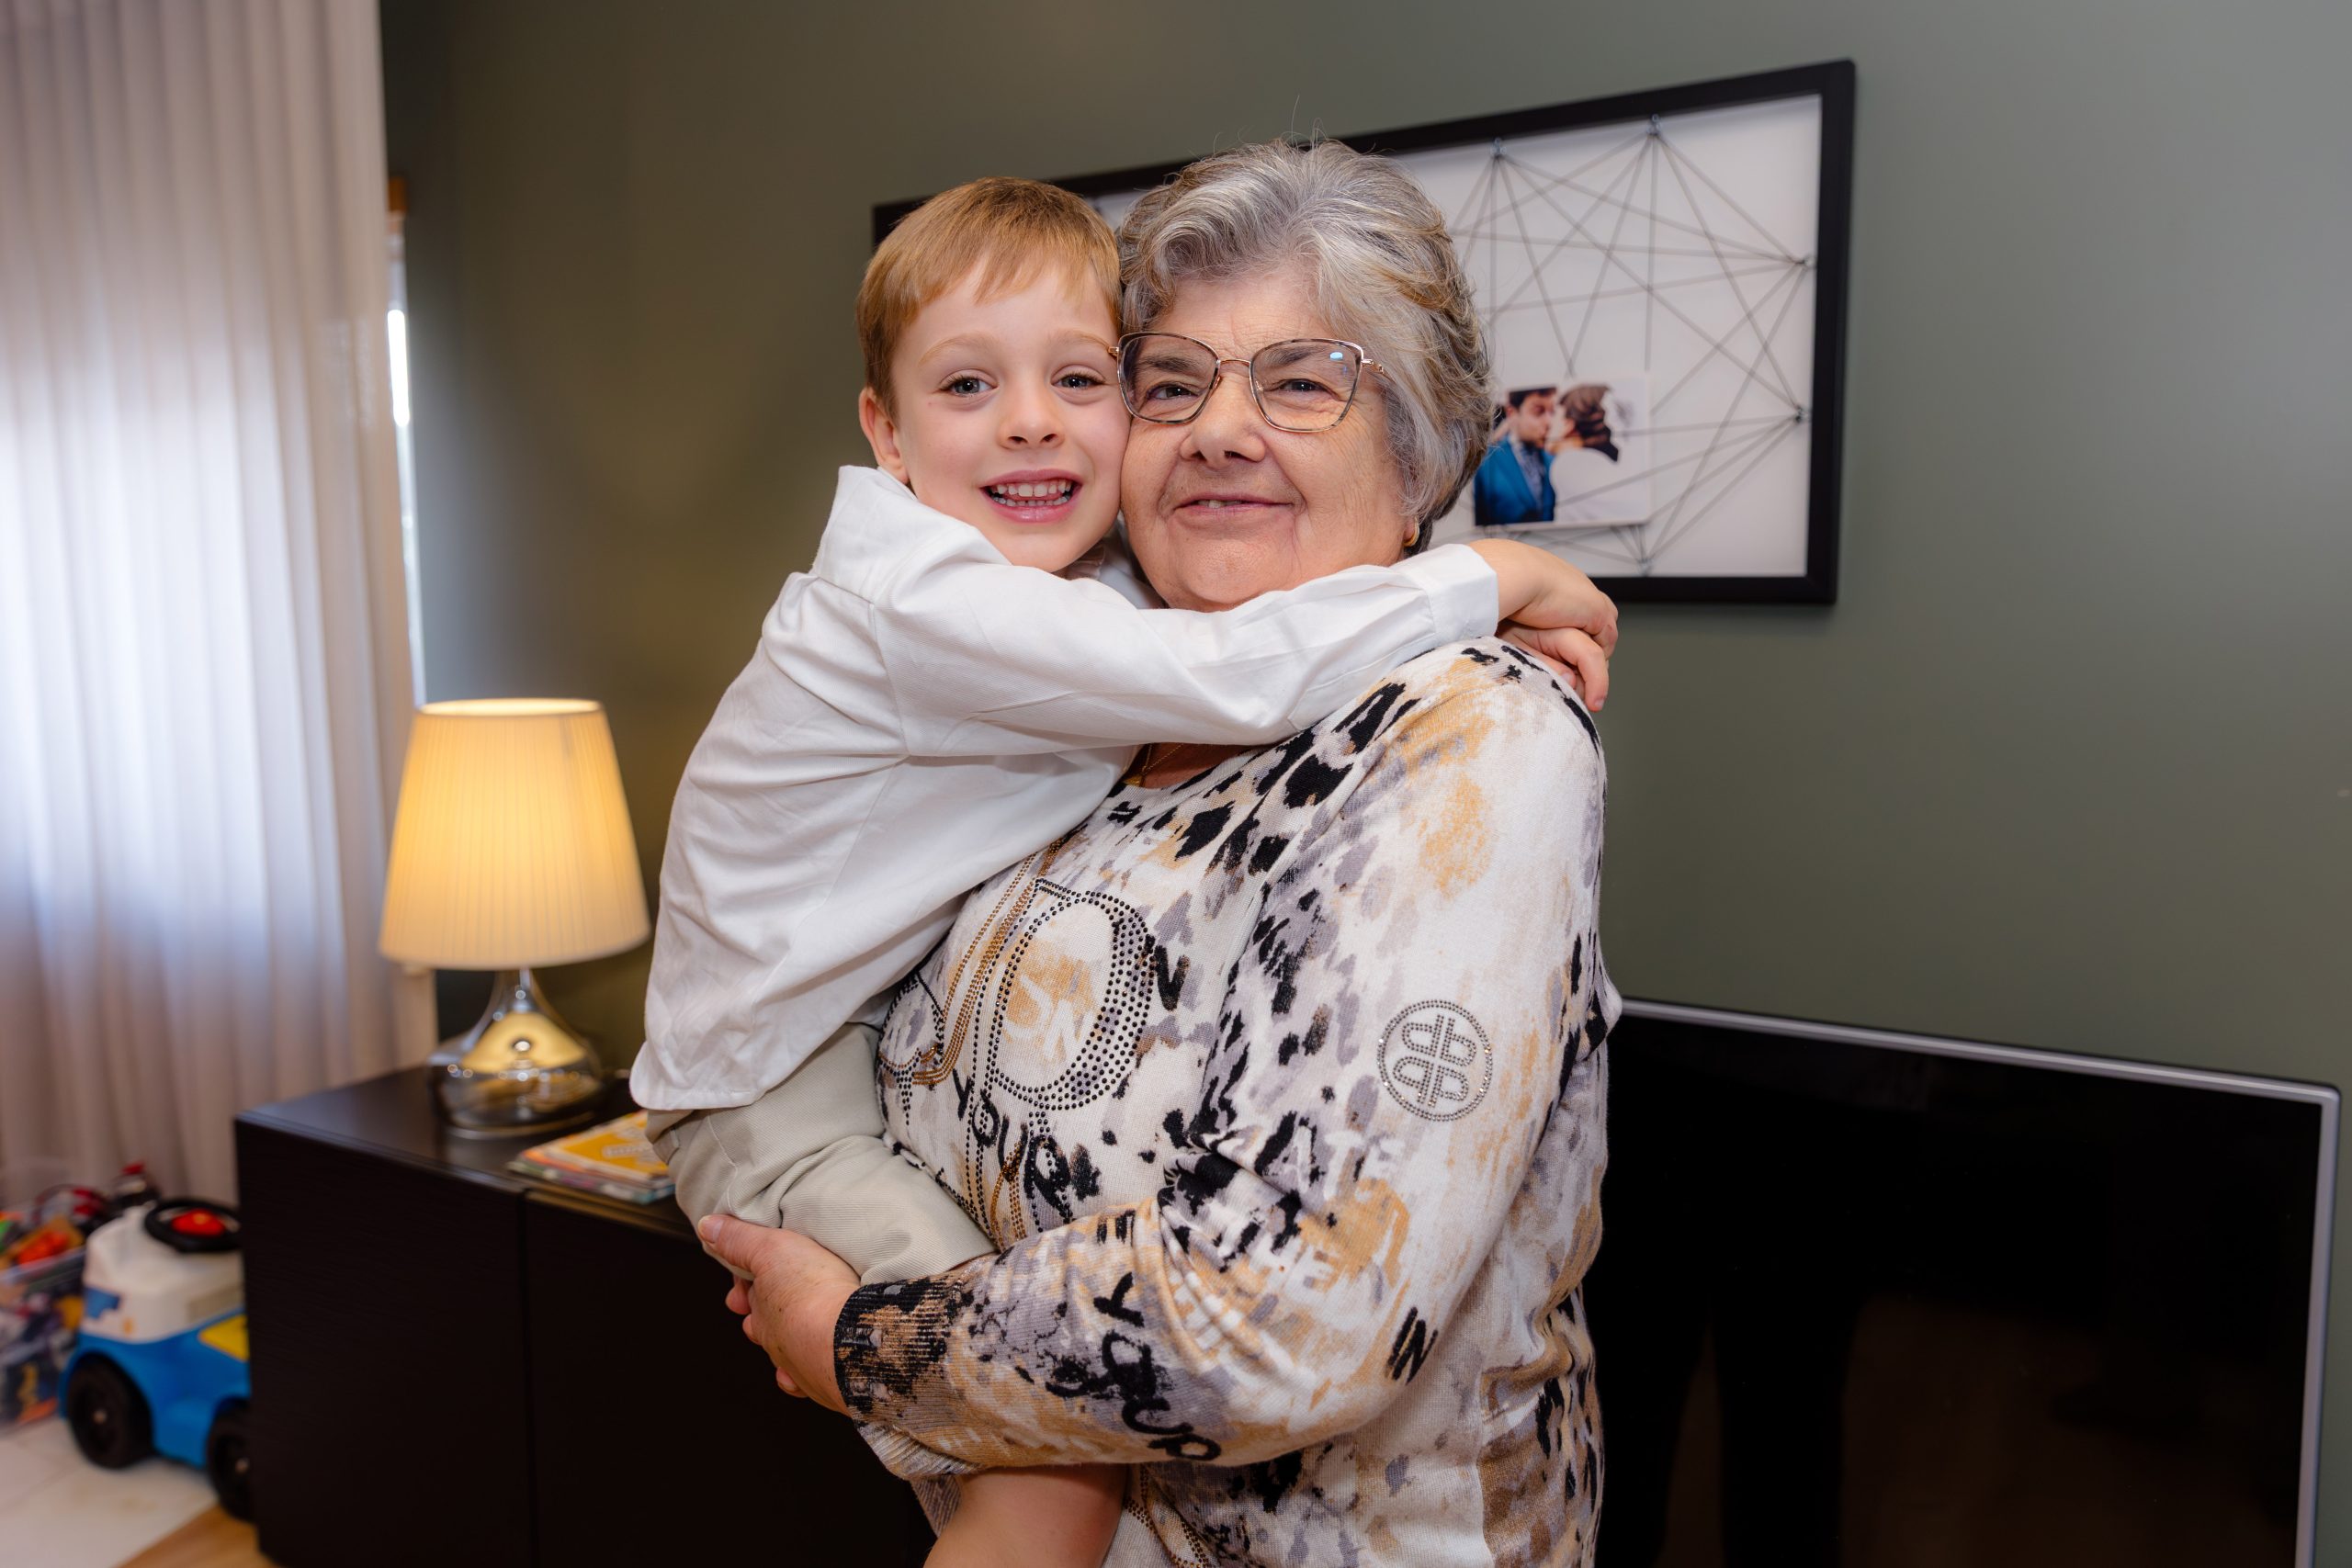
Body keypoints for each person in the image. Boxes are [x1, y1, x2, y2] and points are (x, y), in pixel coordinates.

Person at [635, 175, 1621, 1567]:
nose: (1218, 427)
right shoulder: (1087, 692)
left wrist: (862, 1339)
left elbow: (1286, 1313)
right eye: (1171, 384)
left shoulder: (1460, 733)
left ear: (1418, 464)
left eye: (1300, 381)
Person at [1472, 384, 1558, 525]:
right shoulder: (1485, 462)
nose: (1549, 422)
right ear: (1512, 413)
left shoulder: (1553, 460)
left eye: (1552, 412)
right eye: (1538, 411)